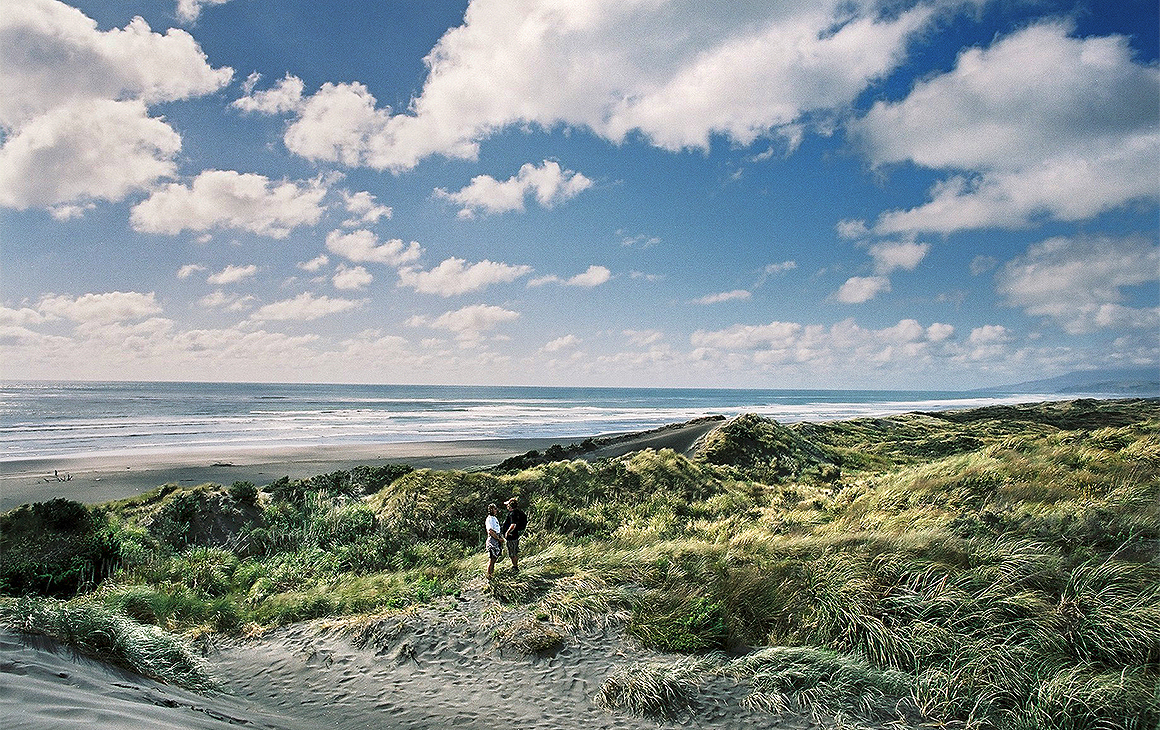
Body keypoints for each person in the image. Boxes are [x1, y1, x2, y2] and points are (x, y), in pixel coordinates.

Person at [500, 496, 528, 573]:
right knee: (514, 552)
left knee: (512, 553)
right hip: (515, 535)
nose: (507, 506)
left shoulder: (512, 514)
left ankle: (515, 567)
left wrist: (507, 532)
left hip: (511, 537)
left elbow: (513, 525)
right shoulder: (517, 512)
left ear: (510, 506)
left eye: (507, 505)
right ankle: (515, 566)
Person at [484, 503, 504, 578]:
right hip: (492, 540)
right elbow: (490, 531)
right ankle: (489, 576)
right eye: (494, 509)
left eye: (496, 509)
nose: (496, 510)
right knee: (492, 559)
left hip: (497, 539)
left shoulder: (495, 518)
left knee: (495, 559)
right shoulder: (489, 519)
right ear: (491, 510)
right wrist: (498, 539)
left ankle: (491, 574)